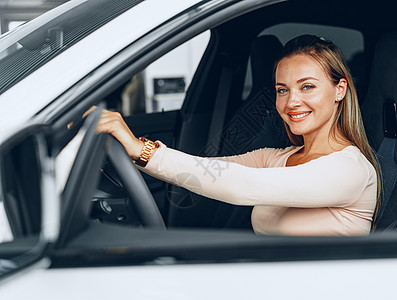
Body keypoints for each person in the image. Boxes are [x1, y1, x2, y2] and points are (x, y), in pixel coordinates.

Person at [90, 35, 380, 236]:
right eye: (282, 90)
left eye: (307, 87)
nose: (292, 102)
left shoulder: (349, 169)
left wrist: (139, 148)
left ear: (339, 90)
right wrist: (132, 146)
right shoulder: (277, 157)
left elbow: (242, 185)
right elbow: (210, 171)